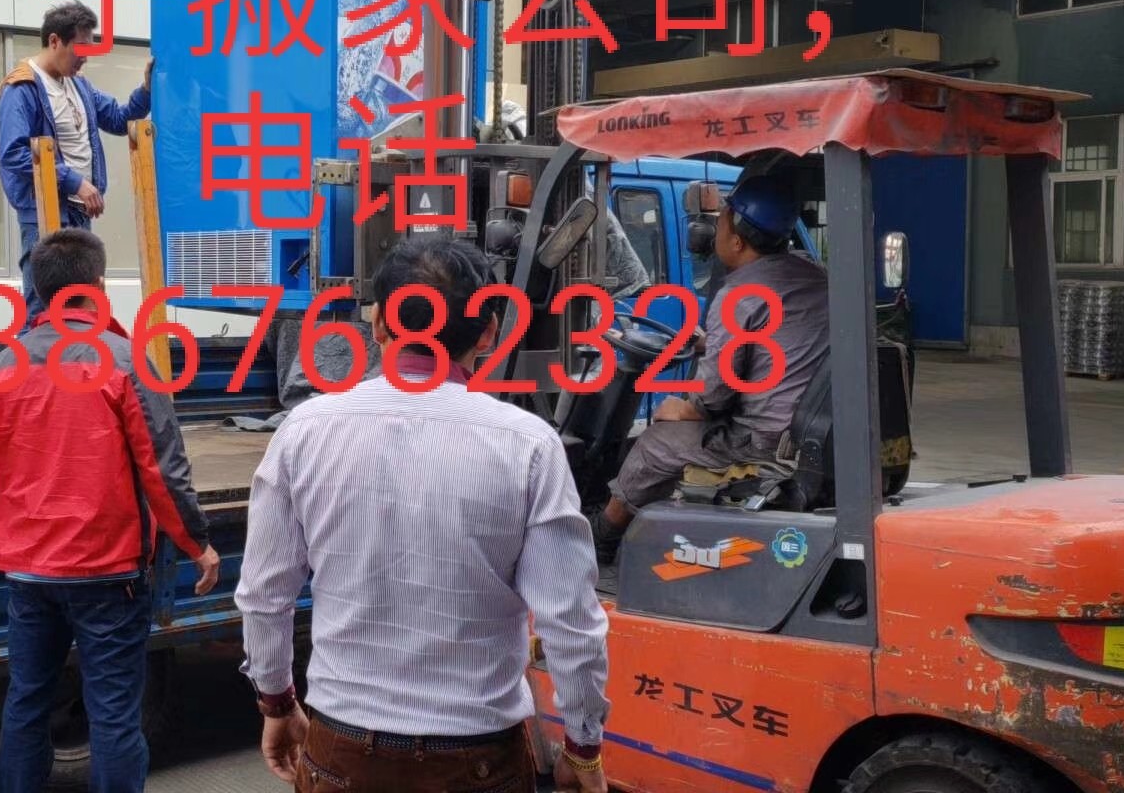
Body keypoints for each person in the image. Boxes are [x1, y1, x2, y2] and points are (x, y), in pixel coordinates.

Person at [235, 236, 612, 793]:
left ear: (378, 325)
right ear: (489, 333)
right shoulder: (528, 444)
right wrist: (582, 748)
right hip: (479, 760)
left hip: (342, 751)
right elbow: (570, 622)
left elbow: (264, 595)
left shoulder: (305, 431)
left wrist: (276, 701)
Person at [0, 228, 221, 793]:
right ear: (98, 287)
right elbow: (162, 467)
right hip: (106, 571)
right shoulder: (125, 362)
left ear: (39, 289)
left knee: (26, 701)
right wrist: (197, 544)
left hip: (27, 568)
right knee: (112, 712)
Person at [589, 175, 831, 562]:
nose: (714, 230)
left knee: (655, 443)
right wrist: (708, 342)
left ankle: (602, 537)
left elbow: (713, 396)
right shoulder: (817, 278)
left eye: (721, 221)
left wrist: (684, 408)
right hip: (814, 430)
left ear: (737, 242)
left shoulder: (739, 295)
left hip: (764, 442)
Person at [0, 0, 154, 320]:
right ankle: (33, 355)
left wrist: (146, 90)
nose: (85, 58)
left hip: (80, 214)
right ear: (55, 41)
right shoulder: (22, 87)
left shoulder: (79, 85)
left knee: (80, 306)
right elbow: (12, 153)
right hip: (43, 214)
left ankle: (74, 353)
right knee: (42, 309)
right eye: (80, 49)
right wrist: (74, 181)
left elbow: (119, 118)